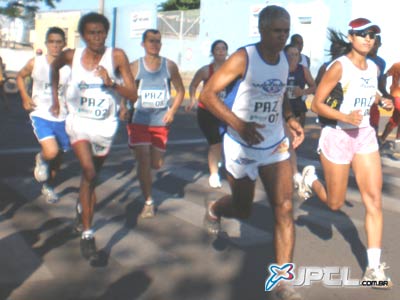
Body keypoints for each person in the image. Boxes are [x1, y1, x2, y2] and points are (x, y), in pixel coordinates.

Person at [200, 6, 304, 300]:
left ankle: (283, 281)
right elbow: (207, 95)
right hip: (242, 144)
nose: (283, 36)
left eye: (286, 30)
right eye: (277, 31)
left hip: (273, 144)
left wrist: (290, 118)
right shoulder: (244, 58)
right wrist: (238, 124)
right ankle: (215, 209)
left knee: (284, 207)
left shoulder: (285, 58)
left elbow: (279, 91)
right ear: (261, 30)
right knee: (242, 208)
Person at [310, 18, 393, 287]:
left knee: (374, 200)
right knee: (334, 203)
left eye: (373, 35)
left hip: (365, 135)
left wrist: (383, 99)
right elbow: (316, 104)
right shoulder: (338, 67)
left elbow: (371, 92)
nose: (368, 39)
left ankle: (373, 269)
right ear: (350, 37)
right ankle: (310, 178)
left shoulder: (373, 67)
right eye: (363, 34)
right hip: (337, 136)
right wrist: (344, 115)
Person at [50, 12, 137, 263]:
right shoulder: (71, 56)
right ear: (83, 35)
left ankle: (81, 209)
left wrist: (111, 83)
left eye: (100, 32)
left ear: (106, 33)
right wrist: (57, 99)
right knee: (88, 171)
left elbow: (132, 94)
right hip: (79, 124)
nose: (97, 37)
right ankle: (88, 235)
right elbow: (54, 69)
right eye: (91, 33)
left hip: (105, 127)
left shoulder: (117, 56)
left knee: (91, 179)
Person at [125, 29, 185, 219]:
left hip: (160, 122)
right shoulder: (135, 66)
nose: (155, 44)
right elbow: (127, 90)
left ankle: (144, 169)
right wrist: (122, 107)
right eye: (151, 41)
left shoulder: (169, 66)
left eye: (158, 41)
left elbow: (181, 91)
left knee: (156, 164)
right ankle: (148, 202)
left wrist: (172, 111)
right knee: (143, 158)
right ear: (143, 44)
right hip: (140, 120)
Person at [16, 27, 71, 204]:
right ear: (47, 43)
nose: (55, 45)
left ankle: (48, 186)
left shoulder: (69, 68)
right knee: (51, 151)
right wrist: (25, 96)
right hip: (40, 114)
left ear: (64, 44)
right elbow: (19, 76)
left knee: (58, 159)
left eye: (58, 42)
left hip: (62, 116)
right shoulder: (36, 62)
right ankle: (41, 157)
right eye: (52, 42)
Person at [186, 39, 229, 188]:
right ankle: (214, 175)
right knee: (215, 143)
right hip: (207, 111)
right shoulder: (206, 70)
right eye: (217, 49)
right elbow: (193, 85)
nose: (221, 51)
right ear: (212, 52)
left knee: (226, 142)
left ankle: (218, 160)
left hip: (226, 112)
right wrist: (192, 99)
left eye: (223, 48)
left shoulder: (233, 71)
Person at [284, 44, 316, 128]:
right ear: (285, 55)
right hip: (283, 109)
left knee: (297, 137)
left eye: (296, 54)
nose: (294, 57)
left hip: (298, 108)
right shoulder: (279, 69)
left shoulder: (303, 69)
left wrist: (302, 92)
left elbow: (314, 87)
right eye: (291, 54)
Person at [378, 61, 400, 149]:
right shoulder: (397, 65)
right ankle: (397, 142)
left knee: (395, 119)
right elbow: (384, 76)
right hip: (397, 94)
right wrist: (384, 91)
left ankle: (383, 139)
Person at [367, 35, 386, 137]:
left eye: (375, 44)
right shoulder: (362, 58)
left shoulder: (381, 62)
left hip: (373, 99)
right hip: (360, 99)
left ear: (379, 45)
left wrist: (385, 95)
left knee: (373, 126)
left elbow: (379, 82)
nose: (372, 46)